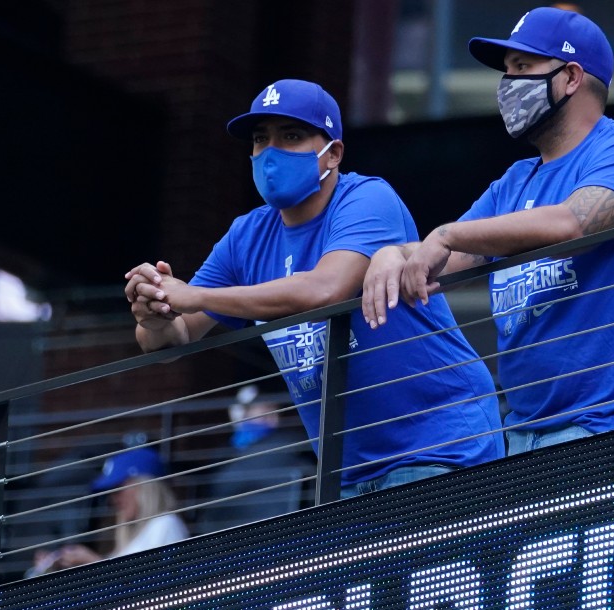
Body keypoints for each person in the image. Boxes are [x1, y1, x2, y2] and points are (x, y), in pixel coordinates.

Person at [124, 79, 504, 498]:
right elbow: (175, 333)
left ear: (333, 153)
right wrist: (153, 310)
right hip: (350, 471)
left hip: (440, 444)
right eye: (260, 139)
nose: (271, 153)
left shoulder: (366, 198)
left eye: (291, 136)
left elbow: (327, 289)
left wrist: (195, 296)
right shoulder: (246, 235)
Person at [361, 6, 614, 455]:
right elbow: (446, 258)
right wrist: (392, 253)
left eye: (523, 67)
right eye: (507, 71)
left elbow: (572, 224)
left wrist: (446, 235)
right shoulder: (514, 182)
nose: (508, 84)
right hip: (523, 435)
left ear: (571, 77)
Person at [29, 447, 188, 574]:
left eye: (119, 489)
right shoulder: (137, 534)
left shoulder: (165, 525)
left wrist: (93, 562)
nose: (113, 500)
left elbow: (152, 589)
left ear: (144, 487)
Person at [195, 384, 316, 533]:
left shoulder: (288, 443)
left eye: (273, 409)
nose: (271, 414)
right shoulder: (223, 455)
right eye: (263, 410)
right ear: (243, 413)